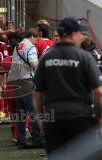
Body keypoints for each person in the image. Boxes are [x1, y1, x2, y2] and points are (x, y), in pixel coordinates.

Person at [33, 17, 102, 159]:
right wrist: (98, 116)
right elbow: (99, 92)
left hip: (54, 119)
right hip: (81, 118)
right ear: (73, 34)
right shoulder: (85, 57)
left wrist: (41, 119)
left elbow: (37, 94)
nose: (82, 36)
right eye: (80, 33)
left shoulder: (46, 58)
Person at [7, 28, 43, 149]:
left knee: (21, 113)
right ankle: (37, 140)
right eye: (37, 38)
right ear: (33, 36)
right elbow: (34, 64)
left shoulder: (18, 45)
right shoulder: (31, 47)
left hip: (16, 81)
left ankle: (21, 141)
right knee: (33, 112)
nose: (37, 42)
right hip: (26, 81)